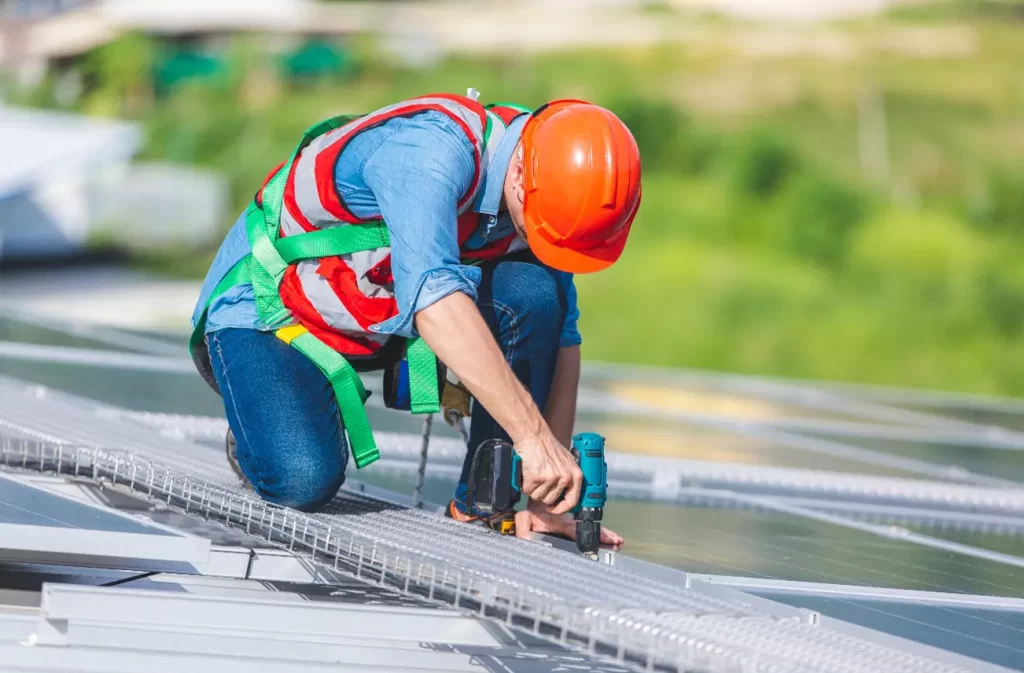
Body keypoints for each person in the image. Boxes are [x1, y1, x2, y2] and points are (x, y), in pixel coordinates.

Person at [189, 91, 641, 549]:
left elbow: (561, 333)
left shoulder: (550, 179)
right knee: (302, 479)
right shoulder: (427, 154)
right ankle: (262, 421)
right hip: (271, 315)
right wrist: (533, 437)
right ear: (521, 176)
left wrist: (548, 498)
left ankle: (482, 505)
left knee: (536, 292)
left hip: (373, 314)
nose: (538, 240)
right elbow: (434, 300)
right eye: (537, 229)